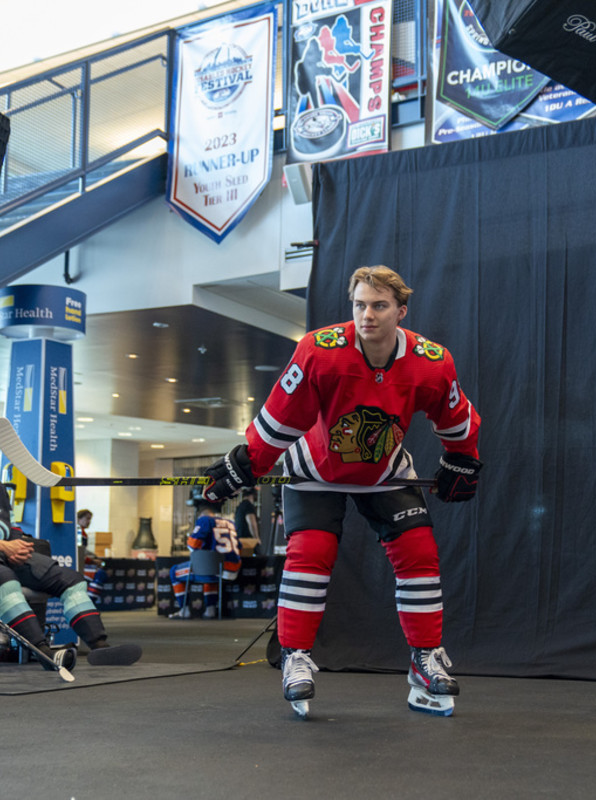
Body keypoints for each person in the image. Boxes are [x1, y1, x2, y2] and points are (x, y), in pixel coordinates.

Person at [203, 265, 482, 718]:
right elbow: (280, 418)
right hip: (315, 467)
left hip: (384, 470)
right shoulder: (319, 350)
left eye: (379, 305)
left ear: (401, 311)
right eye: (359, 305)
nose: (366, 315)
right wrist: (247, 464)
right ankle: (295, 656)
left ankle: (424, 659)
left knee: (419, 551)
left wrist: (462, 457)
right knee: (310, 554)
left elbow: (456, 417)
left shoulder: (431, 360)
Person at [0, 421, 142, 668]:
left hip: (4, 552)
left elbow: (11, 525)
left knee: (71, 580)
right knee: (4, 579)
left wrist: (16, 545)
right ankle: (42, 651)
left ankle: (100, 647)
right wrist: (3, 547)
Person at [167, 499, 241, 619]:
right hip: (232, 569)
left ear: (200, 514)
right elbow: (239, 546)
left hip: (213, 569)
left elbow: (192, 545)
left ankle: (184, 610)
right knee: (210, 570)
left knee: (174, 571)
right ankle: (210, 610)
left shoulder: (204, 520)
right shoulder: (230, 522)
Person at [233, 488, 260, 554]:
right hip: (247, 541)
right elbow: (251, 522)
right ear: (252, 495)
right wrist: (256, 538)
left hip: (239, 540)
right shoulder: (248, 505)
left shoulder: (240, 506)